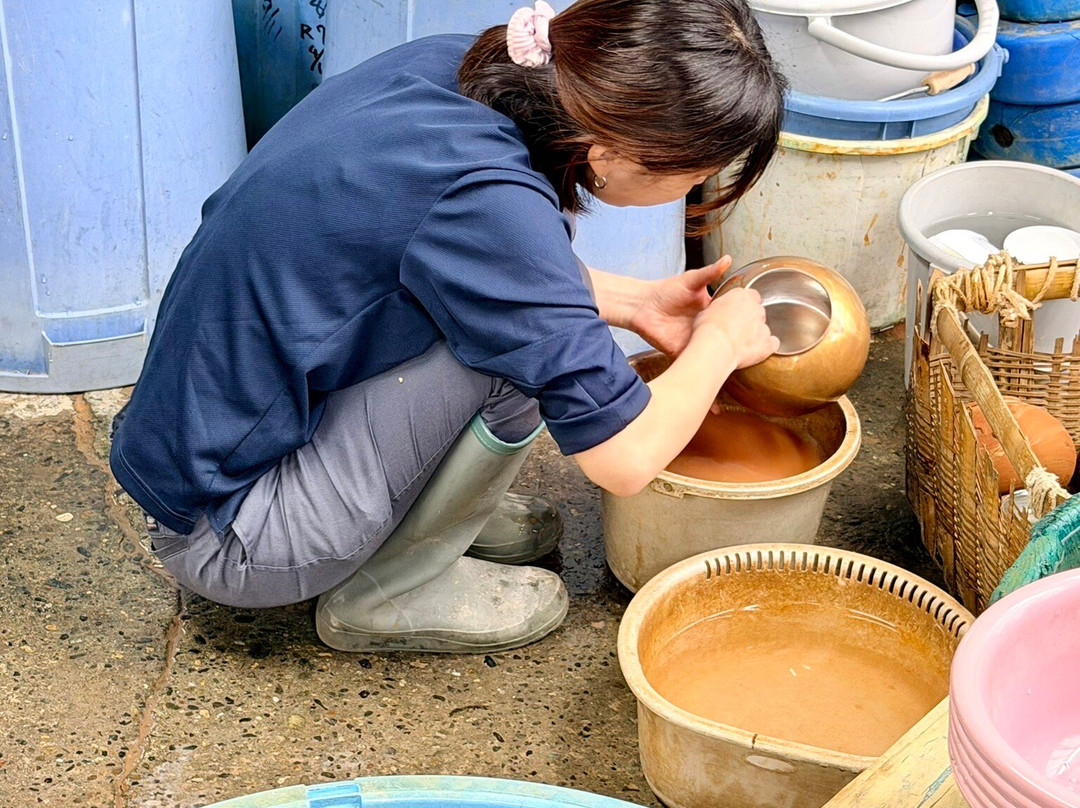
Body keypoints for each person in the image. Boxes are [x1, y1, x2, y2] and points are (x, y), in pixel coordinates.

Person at [109, 0, 785, 655]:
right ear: (612, 151)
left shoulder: (457, 69)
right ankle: (391, 591)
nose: (694, 190)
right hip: (233, 536)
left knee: (530, 331)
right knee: (514, 357)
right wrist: (721, 342)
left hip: (201, 457)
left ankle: (427, 515)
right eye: (696, 175)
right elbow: (625, 457)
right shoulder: (490, 202)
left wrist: (637, 302)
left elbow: (475, 256)